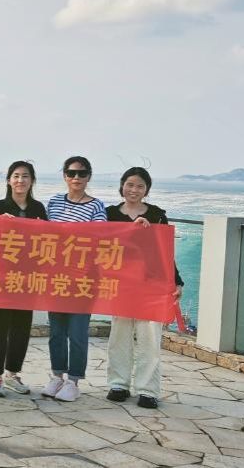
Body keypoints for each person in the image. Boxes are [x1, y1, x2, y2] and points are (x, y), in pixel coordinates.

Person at [105, 167, 184, 410]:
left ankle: (148, 390)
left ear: (147, 190)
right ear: (122, 186)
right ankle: (118, 384)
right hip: (121, 284)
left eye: (140, 186)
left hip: (151, 285)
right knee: (119, 335)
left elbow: (165, 252)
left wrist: (176, 281)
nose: (134, 190)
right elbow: (100, 246)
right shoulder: (108, 214)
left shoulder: (157, 215)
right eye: (130, 184)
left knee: (150, 336)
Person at [42, 155, 107, 403]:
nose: (76, 177)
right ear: (64, 176)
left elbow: (100, 236)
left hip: (83, 279)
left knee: (77, 332)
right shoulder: (54, 202)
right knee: (56, 332)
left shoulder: (96, 206)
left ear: (89, 176)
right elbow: (43, 234)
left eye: (81, 173)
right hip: (56, 278)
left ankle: (74, 381)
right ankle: (57, 376)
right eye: (71, 173)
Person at [0, 160, 47, 397]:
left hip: (27, 278)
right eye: (16, 176)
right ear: (9, 180)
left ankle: (12, 373)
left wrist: (42, 229)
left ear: (32, 181)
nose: (20, 180)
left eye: (25, 176)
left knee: (21, 327)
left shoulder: (38, 209)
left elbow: (48, 245)